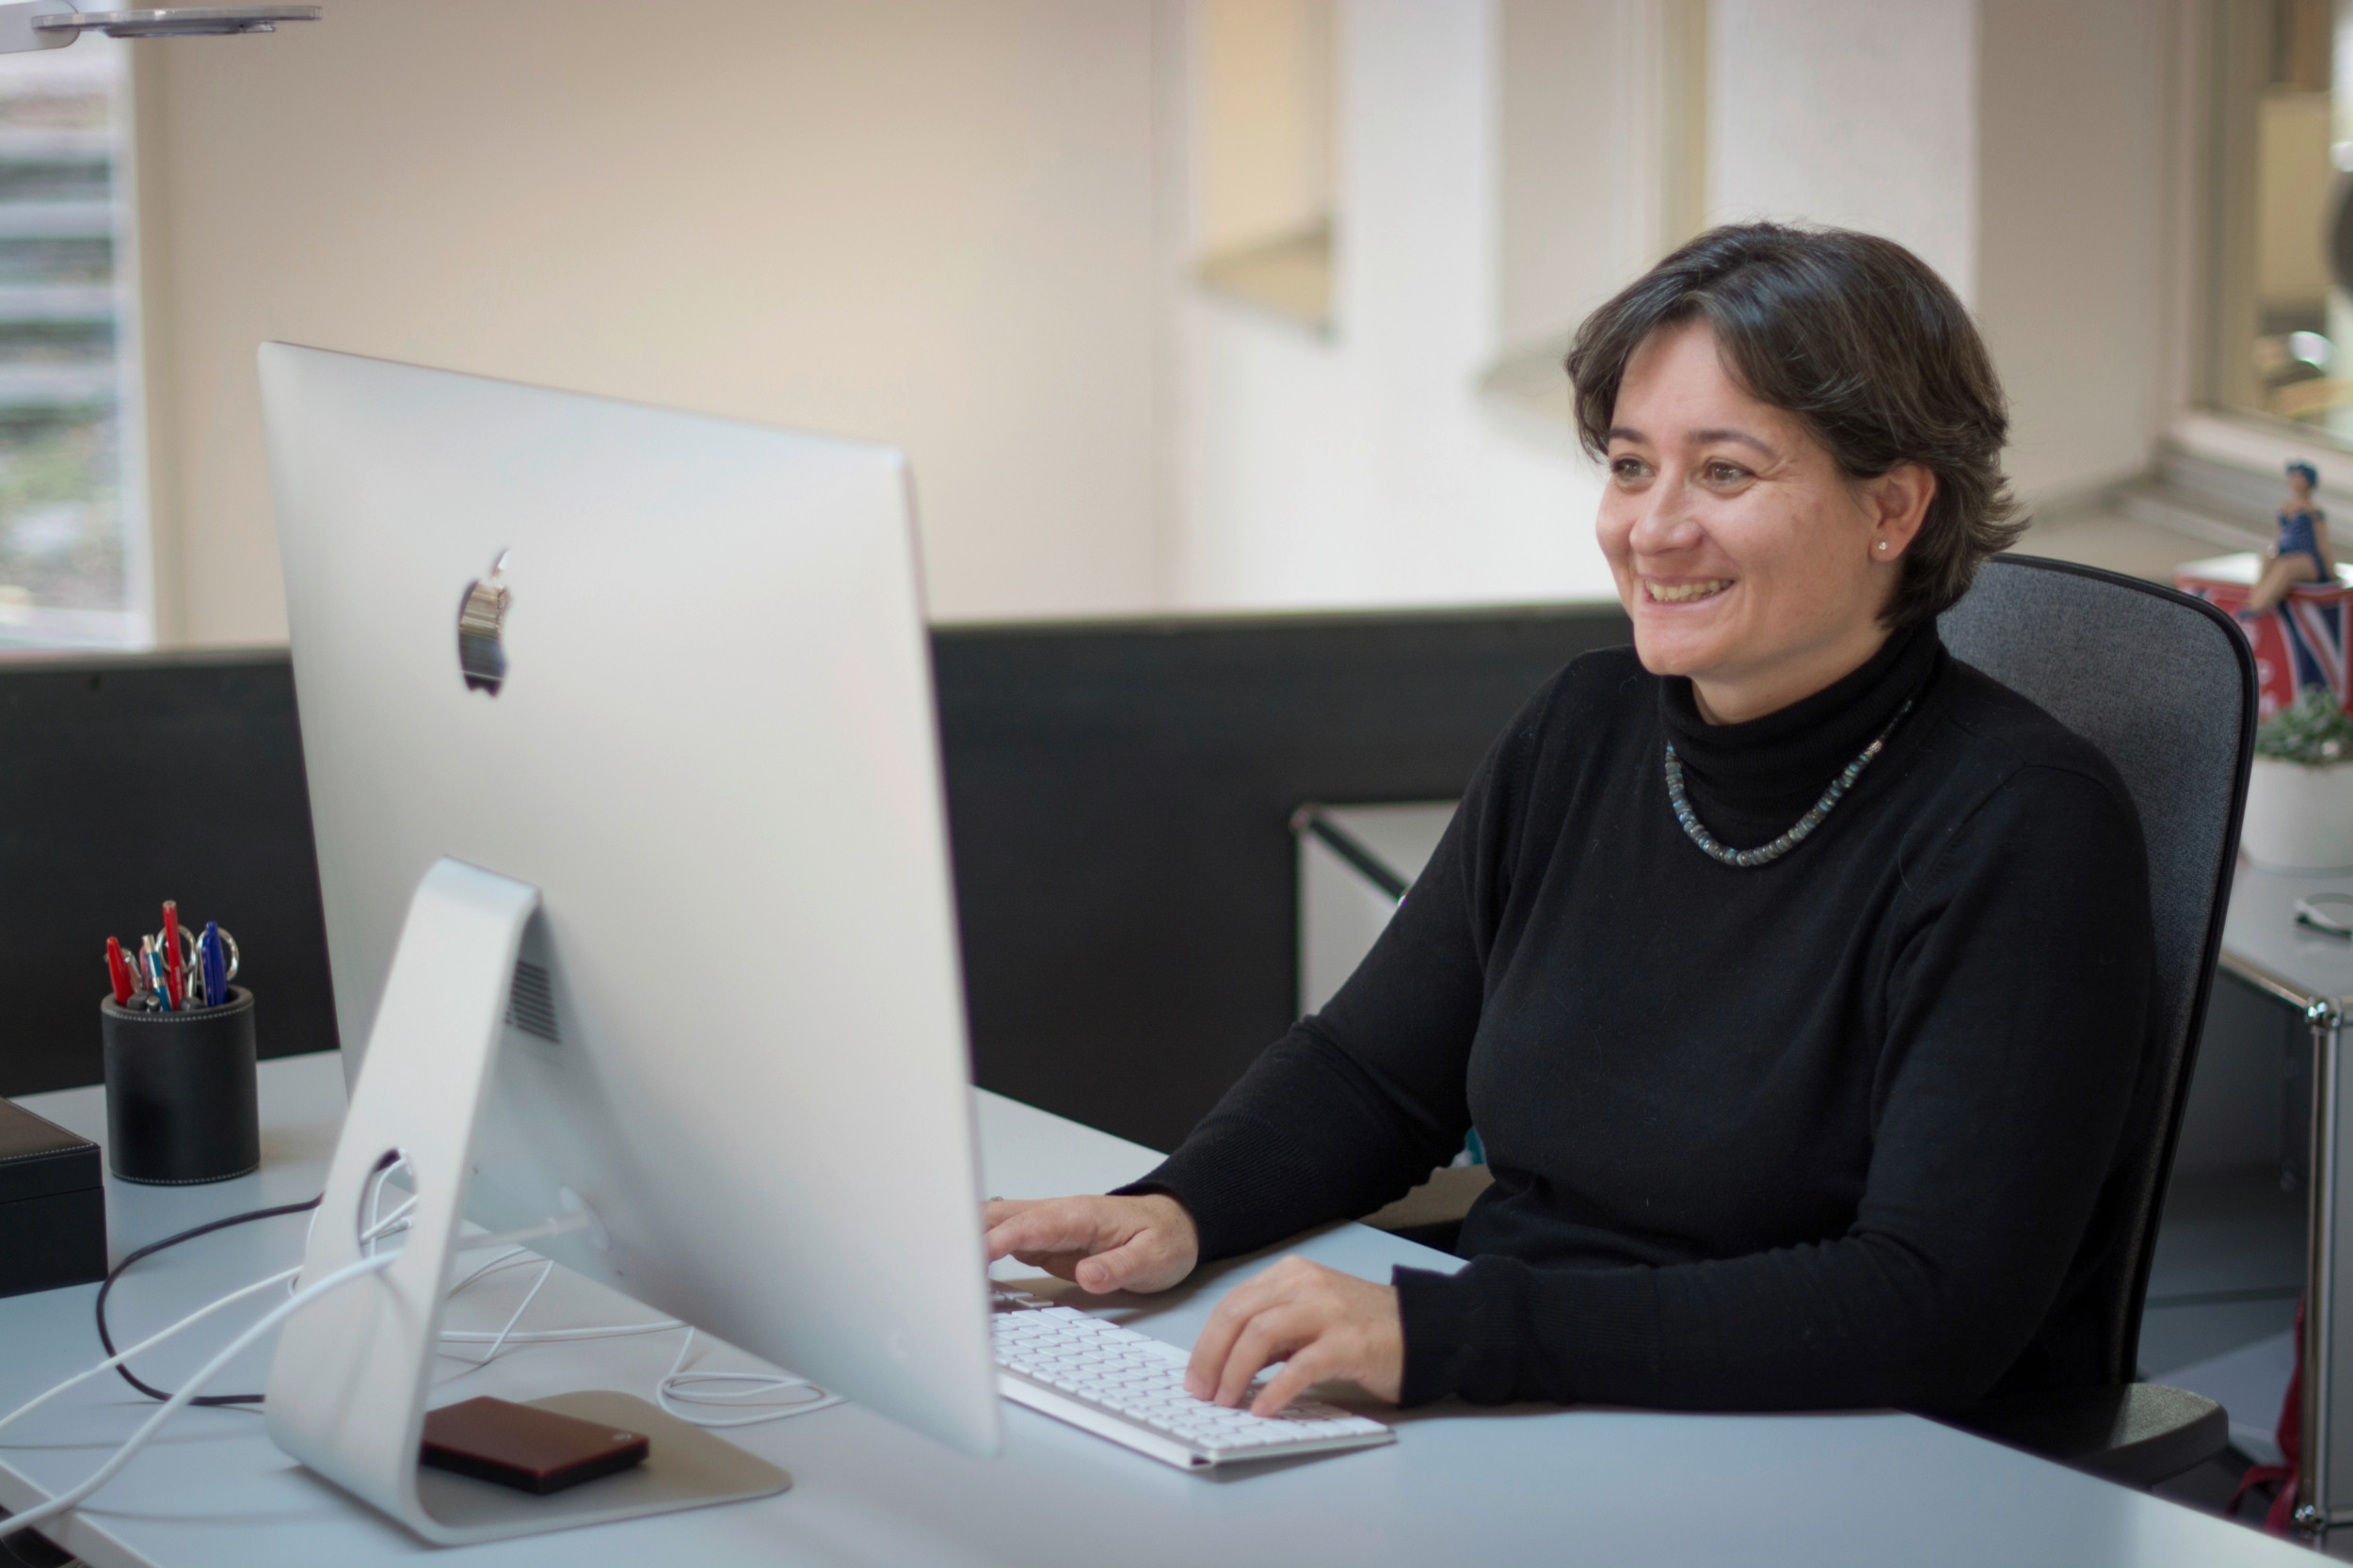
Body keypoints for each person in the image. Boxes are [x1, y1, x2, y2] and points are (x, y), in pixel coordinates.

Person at [985, 223, 2156, 1421]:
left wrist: (1451, 1335)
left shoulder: (2021, 826)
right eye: (1632, 466)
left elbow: (1925, 1306)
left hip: (1820, 1458)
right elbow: (1374, 1074)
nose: (1652, 528)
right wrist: (1180, 1207)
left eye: (1725, 473)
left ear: (1893, 507)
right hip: (1530, 1406)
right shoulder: (1586, 728)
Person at [2241, 460, 2334, 616]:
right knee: (2267, 560)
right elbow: (2279, 537)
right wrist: (2275, 554)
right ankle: (2253, 601)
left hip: (2308, 558)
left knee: (2288, 566)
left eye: (2298, 477)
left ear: (2308, 482)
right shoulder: (2285, 507)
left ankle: (2256, 607)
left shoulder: (2313, 510)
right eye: (2292, 477)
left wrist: (2330, 571)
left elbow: (2322, 541)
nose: (2293, 481)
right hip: (2287, 553)